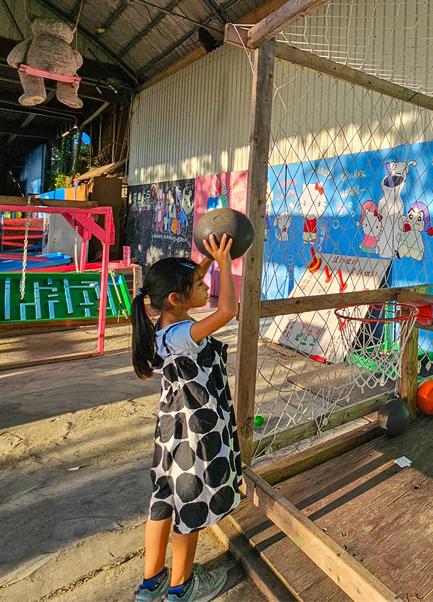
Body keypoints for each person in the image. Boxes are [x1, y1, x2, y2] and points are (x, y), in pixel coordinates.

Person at [130, 234, 241, 602]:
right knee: (189, 504)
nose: (205, 285)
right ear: (177, 299)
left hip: (170, 431)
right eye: (199, 285)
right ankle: (181, 588)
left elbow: (190, 286)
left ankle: (152, 584)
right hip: (194, 431)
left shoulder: (163, 326)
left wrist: (206, 261)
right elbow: (227, 311)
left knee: (162, 500)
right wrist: (226, 264)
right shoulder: (184, 335)